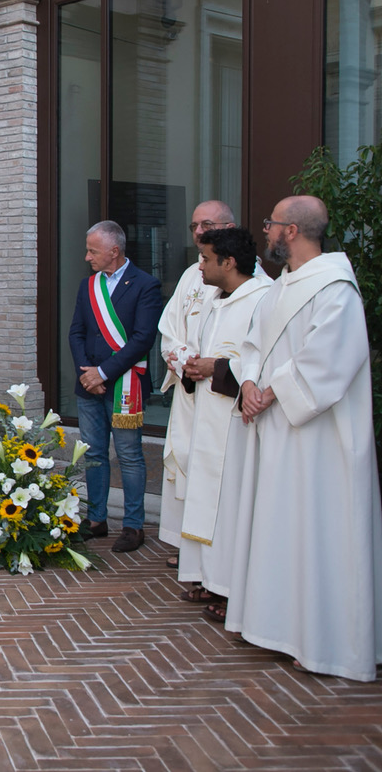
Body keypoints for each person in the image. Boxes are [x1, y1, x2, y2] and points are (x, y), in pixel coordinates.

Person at [225, 196, 382, 681]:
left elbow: (330, 360)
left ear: (291, 231)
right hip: (275, 430)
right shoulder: (281, 287)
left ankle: (327, 642)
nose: (266, 231)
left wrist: (269, 393)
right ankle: (278, 626)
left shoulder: (336, 288)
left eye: (271, 224)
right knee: (281, 529)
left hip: (318, 440)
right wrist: (248, 383)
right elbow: (252, 343)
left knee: (318, 530)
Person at [173, 227, 269, 616]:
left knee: (231, 506)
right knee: (206, 500)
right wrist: (192, 365)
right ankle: (210, 578)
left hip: (237, 425)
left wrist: (218, 367)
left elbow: (264, 360)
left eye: (206, 259)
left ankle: (232, 588)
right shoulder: (215, 300)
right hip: (208, 418)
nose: (200, 267)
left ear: (228, 262)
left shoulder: (262, 300)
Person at [67, 220, 162, 552]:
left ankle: (133, 526)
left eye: (93, 251)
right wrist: (86, 373)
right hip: (88, 385)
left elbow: (142, 340)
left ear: (114, 251)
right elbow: (76, 332)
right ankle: (96, 519)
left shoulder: (146, 285)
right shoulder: (87, 286)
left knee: (130, 455)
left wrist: (102, 373)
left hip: (123, 385)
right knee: (93, 454)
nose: (87, 257)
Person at [156, 201, 236, 567]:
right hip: (190, 390)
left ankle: (214, 555)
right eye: (194, 226)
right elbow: (169, 326)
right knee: (184, 462)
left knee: (214, 472)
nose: (199, 232)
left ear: (229, 227)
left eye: (207, 224)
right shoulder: (192, 273)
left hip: (219, 397)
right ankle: (185, 546)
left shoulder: (250, 278)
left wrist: (208, 365)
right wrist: (181, 355)